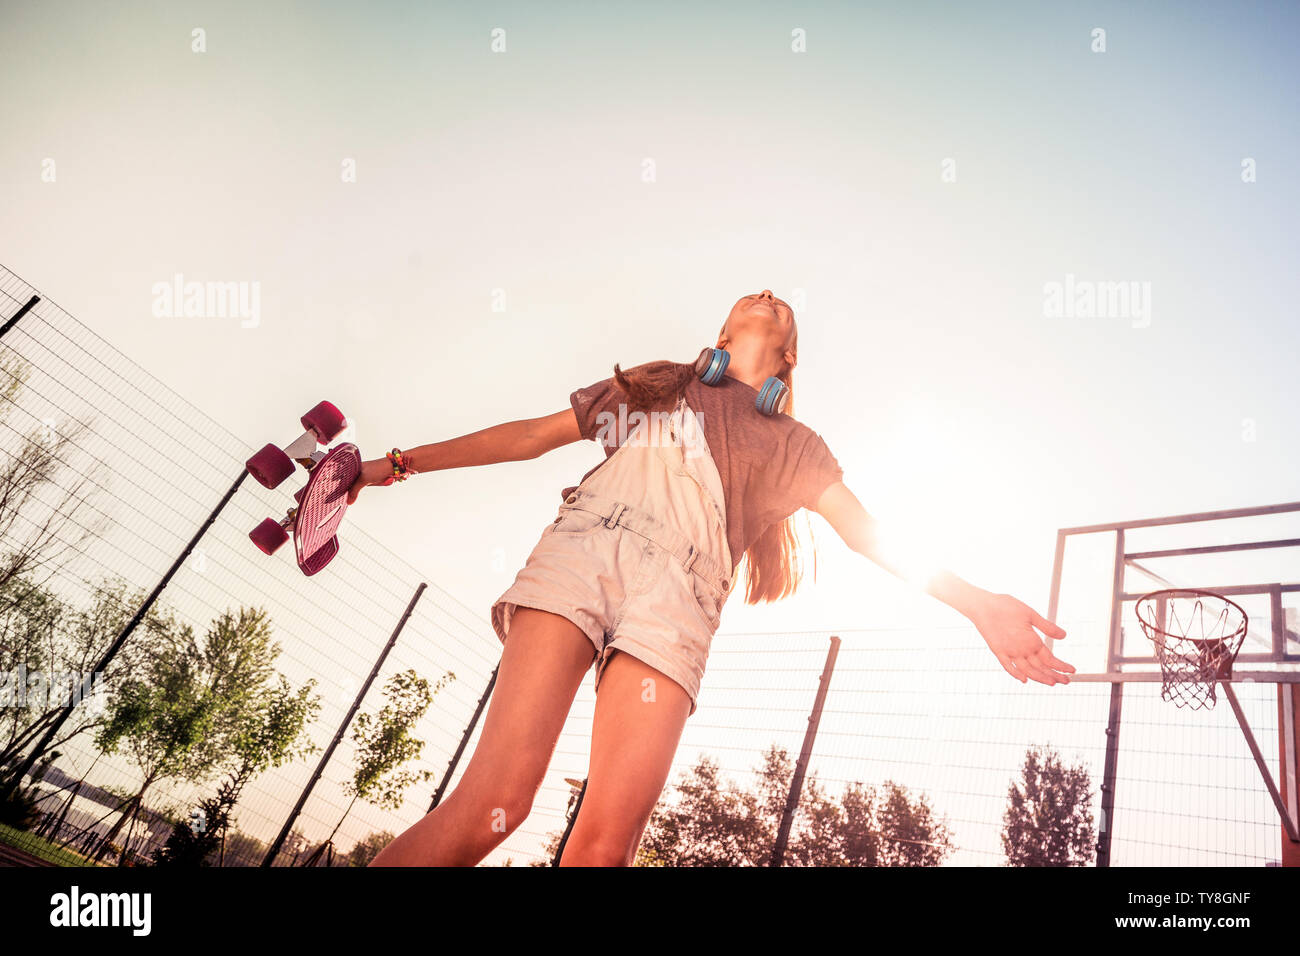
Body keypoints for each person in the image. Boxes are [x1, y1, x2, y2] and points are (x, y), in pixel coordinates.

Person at [354, 290, 1073, 867]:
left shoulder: (795, 447)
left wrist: (979, 605)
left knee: (605, 848)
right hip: (587, 550)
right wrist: (393, 465)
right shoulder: (661, 383)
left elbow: (866, 536)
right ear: (721, 332)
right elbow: (529, 437)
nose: (769, 293)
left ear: (788, 354)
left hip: (681, 602)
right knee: (494, 804)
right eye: (754, 294)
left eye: (781, 305)